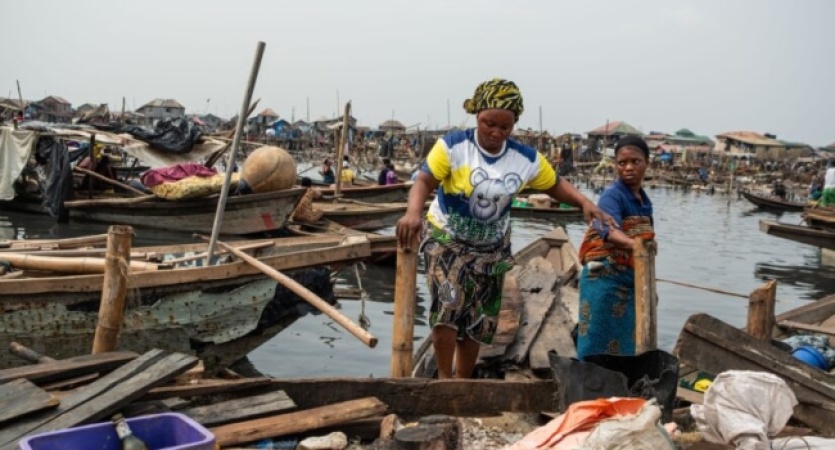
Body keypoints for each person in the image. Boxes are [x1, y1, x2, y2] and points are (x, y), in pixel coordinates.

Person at [395, 78, 614, 379]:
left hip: (491, 248)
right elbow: (423, 181)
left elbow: (556, 186)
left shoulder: (525, 159)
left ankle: (463, 382)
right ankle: (444, 380)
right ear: (477, 116)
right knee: (447, 311)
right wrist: (412, 213)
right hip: (447, 239)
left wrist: (585, 203)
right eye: (489, 124)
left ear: (514, 126)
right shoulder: (453, 146)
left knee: (479, 320)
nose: (496, 133)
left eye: (504, 127)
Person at [576, 135, 655, 360]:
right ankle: (590, 386)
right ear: (616, 165)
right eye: (622, 163)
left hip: (630, 279)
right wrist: (635, 246)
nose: (628, 167)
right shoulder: (612, 195)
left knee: (627, 342)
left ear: (647, 163)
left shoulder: (644, 200)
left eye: (635, 162)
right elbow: (608, 230)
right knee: (595, 340)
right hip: (604, 279)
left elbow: (644, 234)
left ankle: (620, 388)